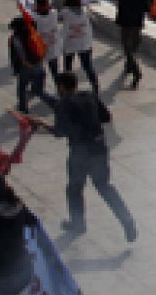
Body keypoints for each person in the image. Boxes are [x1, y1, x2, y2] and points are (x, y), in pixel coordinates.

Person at [36, 71, 135, 241]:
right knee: (104, 187)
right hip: (99, 149)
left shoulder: (63, 105)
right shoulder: (90, 95)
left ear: (61, 87)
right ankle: (127, 220)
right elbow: (105, 116)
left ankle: (78, 223)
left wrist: (44, 124)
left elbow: (60, 132)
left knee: (74, 189)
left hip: (80, 154)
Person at [112, 0, 148, 88]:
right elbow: (147, 8)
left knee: (128, 50)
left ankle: (136, 72)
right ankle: (128, 66)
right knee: (133, 48)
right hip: (137, 25)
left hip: (126, 25)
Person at [56, 0, 97, 92]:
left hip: (70, 43)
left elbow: (56, 18)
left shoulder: (65, 12)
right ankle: (95, 84)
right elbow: (94, 19)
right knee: (87, 66)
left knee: (68, 67)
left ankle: (68, 86)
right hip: (84, 43)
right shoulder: (85, 10)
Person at [8, 17, 47, 114]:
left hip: (26, 67)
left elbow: (18, 54)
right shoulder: (33, 33)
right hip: (39, 65)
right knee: (39, 88)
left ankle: (23, 108)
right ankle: (50, 101)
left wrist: (21, 65)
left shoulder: (15, 39)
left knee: (22, 87)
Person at [31, 0, 60, 74]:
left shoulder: (34, 17)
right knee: (55, 72)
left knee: (38, 73)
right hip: (52, 47)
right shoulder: (54, 13)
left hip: (39, 48)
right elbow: (51, 9)